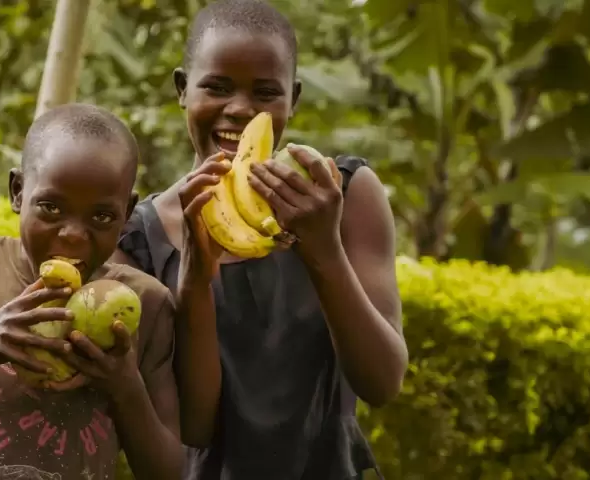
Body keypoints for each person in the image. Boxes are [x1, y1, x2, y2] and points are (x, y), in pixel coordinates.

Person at [112, 1, 409, 478]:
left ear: (292, 99)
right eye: (217, 86)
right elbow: (193, 425)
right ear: (182, 89)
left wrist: (323, 250)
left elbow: (382, 382)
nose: (241, 109)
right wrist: (193, 279)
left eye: (266, 92)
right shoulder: (140, 238)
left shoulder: (345, 194)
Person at [0, 103, 183, 480]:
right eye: (50, 207)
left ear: (127, 211)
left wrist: (125, 386)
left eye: (101, 216)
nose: (73, 235)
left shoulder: (145, 302)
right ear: (18, 192)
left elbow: (173, 472)